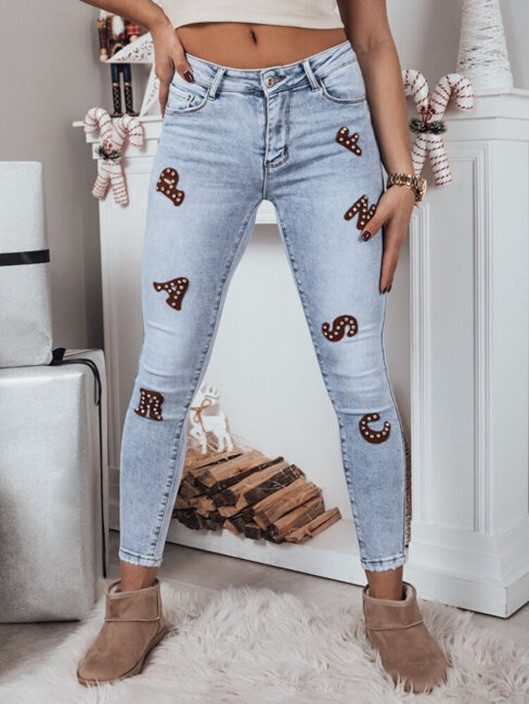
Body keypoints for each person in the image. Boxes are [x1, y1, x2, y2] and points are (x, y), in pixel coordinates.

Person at [78, 0, 447, 693]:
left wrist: (402, 176)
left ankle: (391, 610)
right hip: (204, 110)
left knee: (359, 375)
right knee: (163, 373)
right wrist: (154, 19)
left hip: (329, 113)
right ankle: (133, 606)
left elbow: (371, 35)